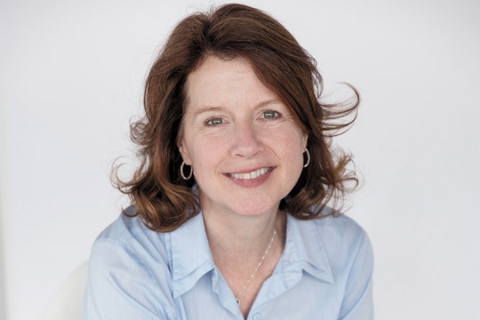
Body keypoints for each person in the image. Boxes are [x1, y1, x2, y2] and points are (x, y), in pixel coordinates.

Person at [83, 3, 374, 320]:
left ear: (305, 130)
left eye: (269, 114)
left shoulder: (346, 250)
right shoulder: (126, 262)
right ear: (182, 144)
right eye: (215, 121)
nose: (246, 146)